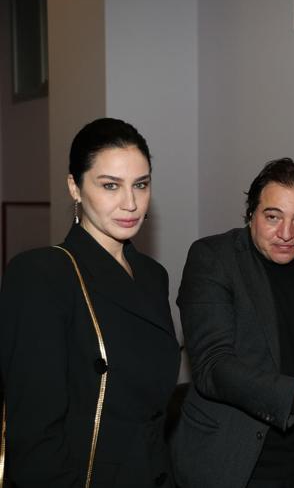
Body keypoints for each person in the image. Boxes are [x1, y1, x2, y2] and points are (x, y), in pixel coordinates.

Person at [0, 118, 180, 487]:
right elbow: (35, 438)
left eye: (141, 184)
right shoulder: (42, 274)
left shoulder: (152, 276)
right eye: (110, 185)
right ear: (75, 187)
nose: (130, 203)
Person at [171, 158, 294, 488]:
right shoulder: (212, 257)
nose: (286, 234)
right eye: (273, 217)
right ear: (251, 214)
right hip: (234, 459)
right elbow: (212, 367)